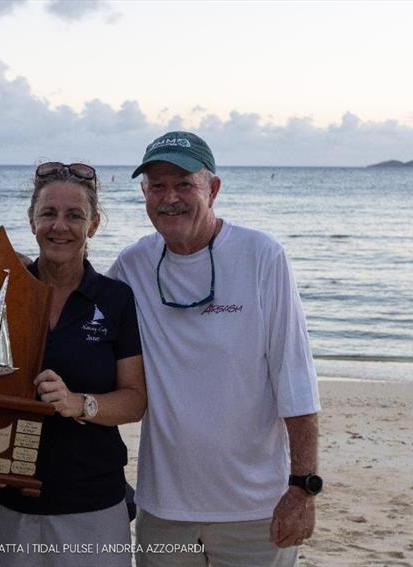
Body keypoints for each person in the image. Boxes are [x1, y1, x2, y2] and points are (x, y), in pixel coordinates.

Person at [109, 131, 322, 567]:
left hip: (255, 511)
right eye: (157, 186)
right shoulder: (132, 266)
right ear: (144, 194)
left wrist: (302, 487)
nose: (170, 197)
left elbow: (295, 379)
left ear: (214, 189)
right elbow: (80, 312)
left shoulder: (262, 256)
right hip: (164, 509)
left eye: (184, 184)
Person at [0, 162, 147, 567]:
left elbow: (135, 400)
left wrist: (77, 403)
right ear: (31, 220)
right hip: (3, 501)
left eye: (75, 216)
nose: (60, 226)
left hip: (91, 504)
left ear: (95, 224)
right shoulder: (0, 289)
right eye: (48, 213)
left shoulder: (115, 299)